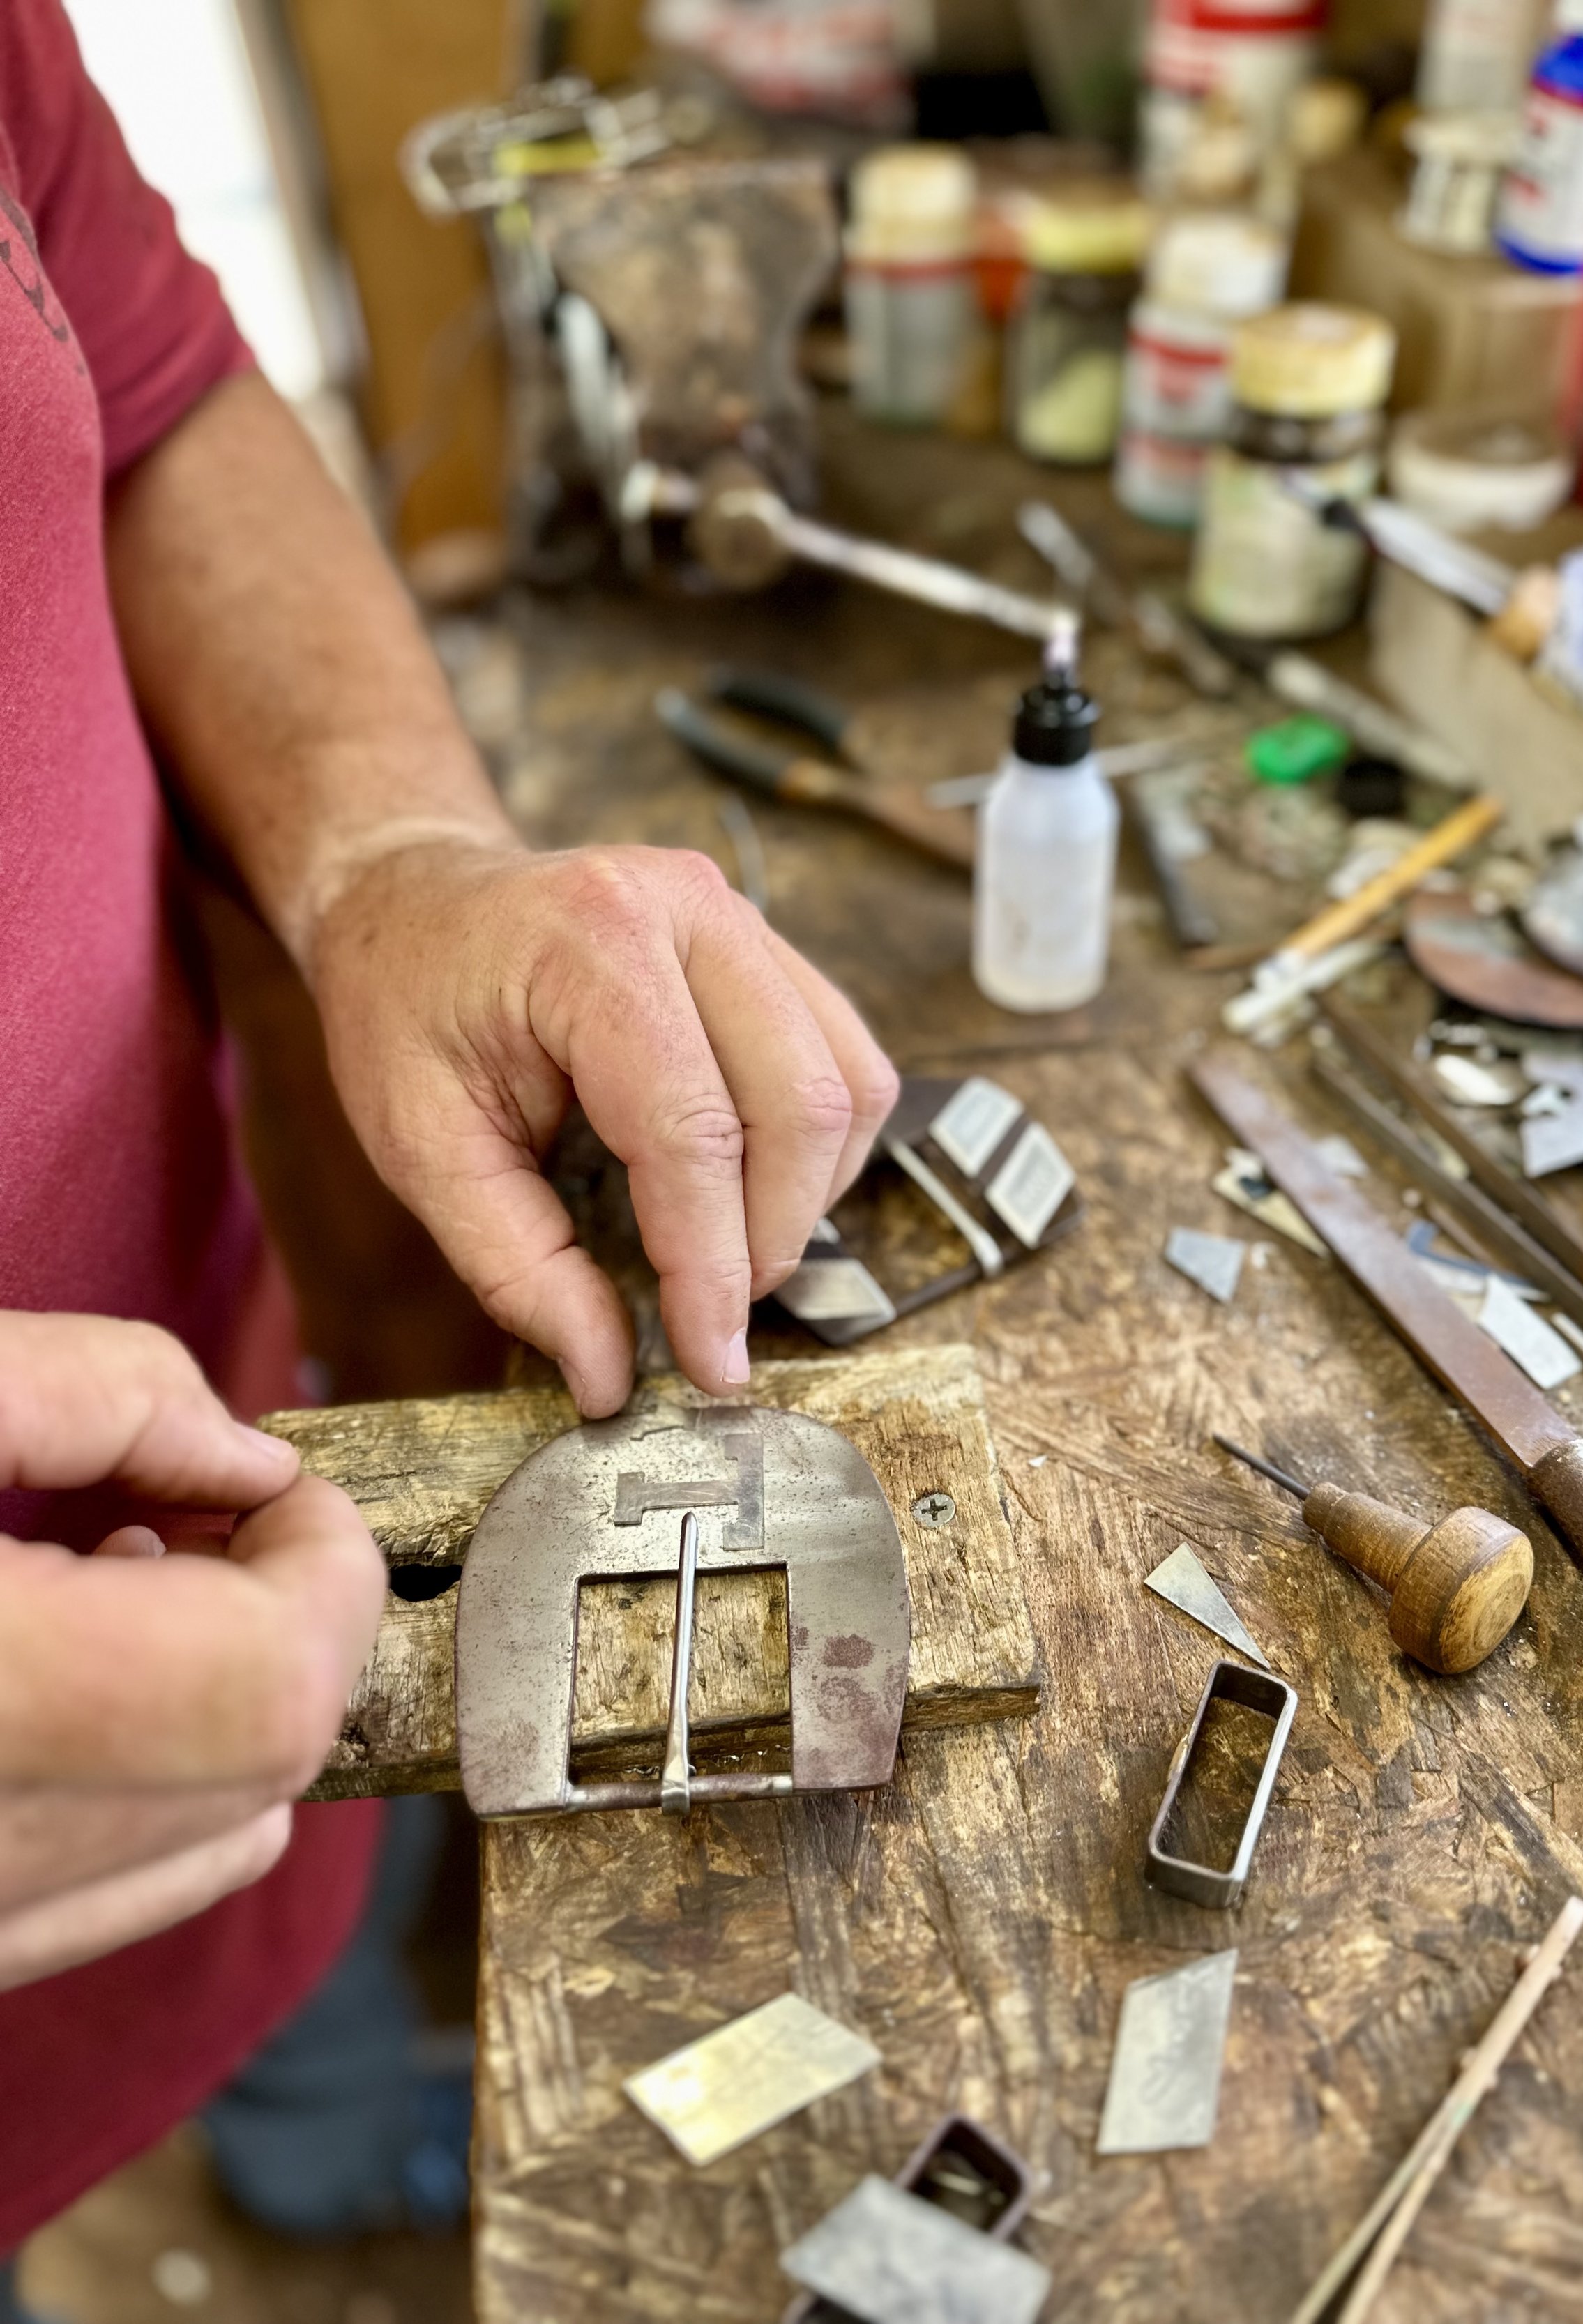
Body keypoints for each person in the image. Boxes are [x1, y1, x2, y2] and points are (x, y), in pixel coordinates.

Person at [0, 0, 897, 2291]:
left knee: (299, 1900)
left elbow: (154, 397)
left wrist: (389, 849)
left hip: (209, 1498)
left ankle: (303, 2107)